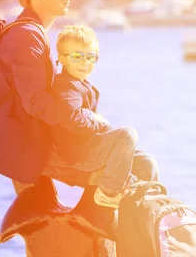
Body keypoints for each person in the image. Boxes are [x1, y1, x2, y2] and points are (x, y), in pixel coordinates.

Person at [0, 0, 159, 199]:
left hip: (47, 140)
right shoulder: (26, 36)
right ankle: (124, 225)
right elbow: (37, 102)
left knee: (142, 162)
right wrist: (89, 119)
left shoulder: (32, 31)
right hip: (34, 148)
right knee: (135, 164)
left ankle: (133, 228)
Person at [52, 24, 141, 208]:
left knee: (143, 159)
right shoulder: (66, 87)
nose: (85, 63)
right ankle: (108, 193)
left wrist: (96, 121)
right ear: (62, 59)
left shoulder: (80, 84)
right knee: (127, 135)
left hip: (89, 146)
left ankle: (144, 199)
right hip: (79, 154)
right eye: (77, 56)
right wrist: (98, 123)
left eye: (90, 57)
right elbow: (73, 120)